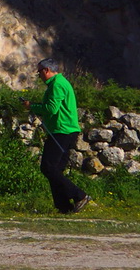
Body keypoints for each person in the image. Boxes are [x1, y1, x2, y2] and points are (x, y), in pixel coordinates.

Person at [31, 57, 91, 213]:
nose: (39, 76)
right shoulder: (60, 83)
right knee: (55, 170)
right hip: (65, 130)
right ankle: (64, 207)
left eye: (39, 72)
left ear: (47, 70)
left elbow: (51, 109)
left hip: (61, 131)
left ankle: (79, 195)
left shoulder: (56, 85)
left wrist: (31, 106)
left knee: (48, 167)